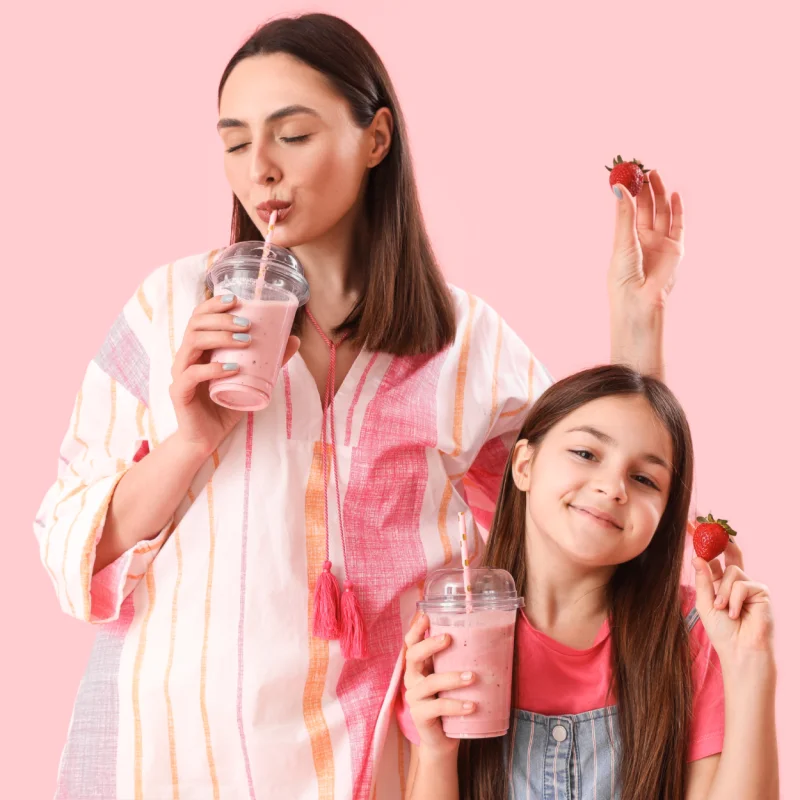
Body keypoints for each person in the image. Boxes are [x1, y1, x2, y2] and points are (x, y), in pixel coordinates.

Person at [34, 14, 686, 800]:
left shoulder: (467, 343)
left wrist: (637, 321)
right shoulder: (170, 308)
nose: (260, 169)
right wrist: (189, 441)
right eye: (236, 143)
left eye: (293, 135)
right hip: (179, 750)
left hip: (382, 754)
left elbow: (583, 512)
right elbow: (75, 548)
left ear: (376, 139)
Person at [402, 365, 778, 800]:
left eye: (644, 479)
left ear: (662, 518)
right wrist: (435, 754)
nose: (613, 487)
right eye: (586, 453)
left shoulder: (693, 631)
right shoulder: (457, 628)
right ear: (525, 465)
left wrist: (751, 662)